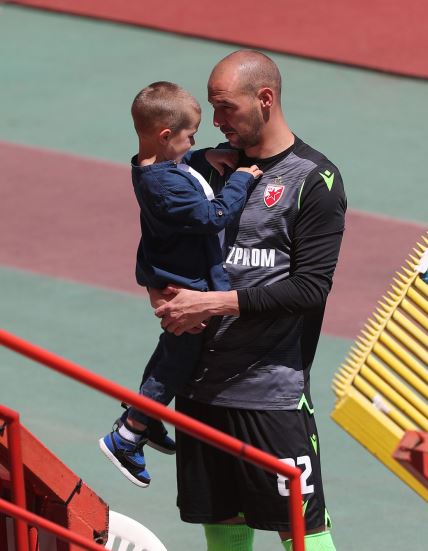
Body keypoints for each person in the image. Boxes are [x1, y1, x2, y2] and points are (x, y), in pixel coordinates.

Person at [153, 51, 347, 550]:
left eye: (225, 108)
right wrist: (160, 287)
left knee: (303, 535)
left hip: (273, 399)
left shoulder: (314, 180)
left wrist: (212, 304)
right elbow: (159, 222)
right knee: (223, 534)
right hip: (198, 392)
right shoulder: (208, 169)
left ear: (265, 99)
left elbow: (310, 289)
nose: (215, 122)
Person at [99, 81, 262, 488]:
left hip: (174, 274)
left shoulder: (153, 165)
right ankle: (129, 433)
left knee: (170, 350)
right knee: (178, 359)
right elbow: (213, 216)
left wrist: (208, 156)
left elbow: (183, 161)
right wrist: (242, 177)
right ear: (166, 135)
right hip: (185, 282)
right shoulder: (166, 186)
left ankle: (144, 416)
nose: (195, 142)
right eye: (191, 136)